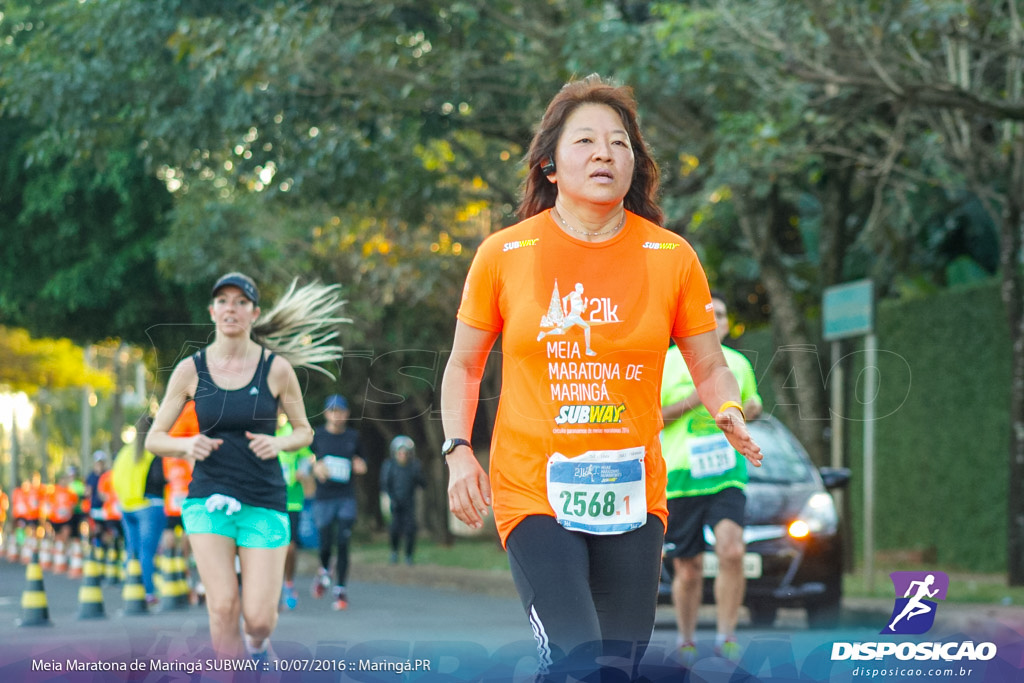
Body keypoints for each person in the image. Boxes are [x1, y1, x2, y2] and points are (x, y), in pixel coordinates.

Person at [440, 74, 763, 681]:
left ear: (635, 164)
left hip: (633, 494)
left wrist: (727, 408)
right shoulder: (504, 255)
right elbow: (463, 364)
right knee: (579, 659)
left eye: (619, 144)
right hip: (534, 488)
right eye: (585, 141)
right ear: (550, 167)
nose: (604, 154)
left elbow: (710, 362)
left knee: (618, 665)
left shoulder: (671, 257)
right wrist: (459, 451)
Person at [146, 272, 346, 661]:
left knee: (258, 620)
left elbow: (305, 432)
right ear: (212, 311)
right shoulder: (191, 370)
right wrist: (186, 445)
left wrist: (279, 441)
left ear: (254, 313)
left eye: (240, 302)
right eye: (223, 301)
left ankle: (256, 647)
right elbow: (154, 438)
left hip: (264, 499)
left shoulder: (276, 369)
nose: (231, 308)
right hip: (208, 499)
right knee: (222, 608)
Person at [660, 292, 763, 664]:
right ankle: (686, 639)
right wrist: (691, 399)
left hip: (726, 472)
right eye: (709, 314)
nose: (715, 320)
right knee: (688, 569)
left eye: (721, 314)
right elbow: (652, 418)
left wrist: (751, 409)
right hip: (680, 476)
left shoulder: (736, 363)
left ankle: (726, 636)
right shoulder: (666, 362)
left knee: (732, 550)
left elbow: (751, 405)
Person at [309, 394, 366, 611]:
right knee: (324, 543)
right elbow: (307, 462)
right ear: (326, 414)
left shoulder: (353, 437)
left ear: (347, 413)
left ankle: (340, 589)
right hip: (324, 497)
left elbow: (363, 462)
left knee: (343, 542)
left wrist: (361, 466)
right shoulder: (319, 436)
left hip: (345, 497)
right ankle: (324, 569)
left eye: (340, 411)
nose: (337, 415)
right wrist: (315, 468)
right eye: (333, 411)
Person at [112, 413, 167, 605]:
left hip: (127, 507)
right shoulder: (153, 451)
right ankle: (148, 592)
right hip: (149, 506)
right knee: (146, 552)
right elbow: (160, 478)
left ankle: (132, 588)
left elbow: (114, 480)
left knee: (132, 550)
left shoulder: (124, 453)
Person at [275, 411, 314, 610]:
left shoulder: (292, 433)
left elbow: (308, 459)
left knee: (289, 547)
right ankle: (271, 589)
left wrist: (303, 472)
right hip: (266, 500)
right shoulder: (257, 432)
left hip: (292, 501)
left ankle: (288, 582)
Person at [380, 435, 426, 565]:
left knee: (410, 530)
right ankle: (394, 552)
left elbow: (422, 483)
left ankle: (409, 555)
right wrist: (388, 499)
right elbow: (384, 484)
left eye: (405, 452)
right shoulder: (389, 466)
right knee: (394, 529)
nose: (402, 455)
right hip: (394, 503)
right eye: (400, 452)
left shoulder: (414, 466)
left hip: (409, 503)